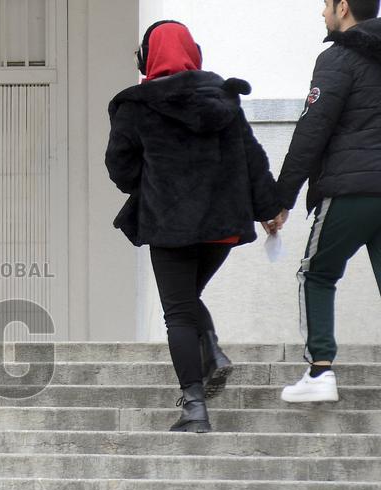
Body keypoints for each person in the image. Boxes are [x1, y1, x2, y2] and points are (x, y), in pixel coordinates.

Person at [106, 20, 284, 433]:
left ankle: (194, 407)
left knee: (179, 314)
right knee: (186, 301)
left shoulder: (136, 106)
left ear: (148, 57)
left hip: (170, 226)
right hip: (221, 228)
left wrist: (150, 182)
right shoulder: (224, 98)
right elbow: (252, 158)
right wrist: (270, 208)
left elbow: (121, 169)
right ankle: (213, 354)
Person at [275, 0, 381, 403]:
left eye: (324, 4)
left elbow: (312, 129)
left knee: (317, 272)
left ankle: (320, 371)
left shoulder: (338, 57)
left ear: (342, 7)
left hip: (352, 188)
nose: (322, 14)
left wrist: (280, 197)